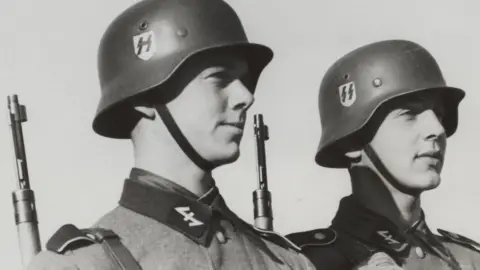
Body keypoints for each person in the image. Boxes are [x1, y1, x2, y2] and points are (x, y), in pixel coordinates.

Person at [26, 0, 316, 269]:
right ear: (146, 97)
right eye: (220, 79)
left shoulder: (286, 261)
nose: (245, 96)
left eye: (244, 81)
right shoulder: (86, 264)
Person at [287, 39, 480, 270]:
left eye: (438, 114)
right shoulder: (298, 262)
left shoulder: (469, 261)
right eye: (409, 114)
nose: (437, 130)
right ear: (352, 142)